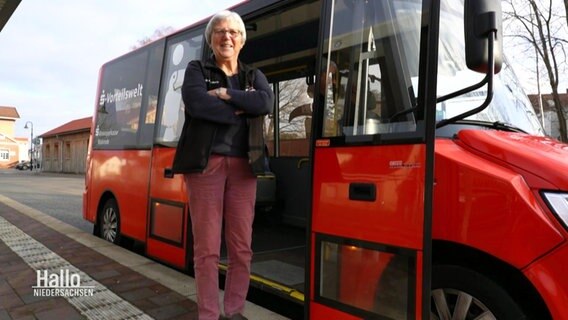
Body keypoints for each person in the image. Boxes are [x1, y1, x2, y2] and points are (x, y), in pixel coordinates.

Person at [171, 10, 274, 320]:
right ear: (211, 40)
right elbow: (197, 103)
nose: (226, 36)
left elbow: (266, 103)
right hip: (206, 167)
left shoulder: (253, 76)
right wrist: (242, 107)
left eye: (233, 32)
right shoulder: (196, 70)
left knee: (242, 248)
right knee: (207, 249)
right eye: (219, 32)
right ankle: (208, 314)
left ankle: (234, 311)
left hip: (245, 167)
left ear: (241, 40)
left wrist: (228, 94)